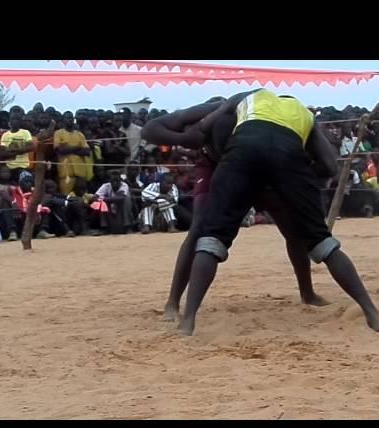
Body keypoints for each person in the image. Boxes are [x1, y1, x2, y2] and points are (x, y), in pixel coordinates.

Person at [164, 89, 379, 336]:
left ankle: (188, 320)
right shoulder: (304, 114)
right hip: (288, 156)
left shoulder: (249, 99)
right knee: (322, 241)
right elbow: (328, 166)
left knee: (211, 239)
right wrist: (300, 181)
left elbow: (203, 130)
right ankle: (372, 313)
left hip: (242, 151)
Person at [141, 98, 332, 323]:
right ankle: (173, 302)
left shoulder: (280, 122)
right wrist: (184, 139)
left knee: (291, 228)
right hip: (216, 166)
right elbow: (150, 130)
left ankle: (307, 292)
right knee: (200, 228)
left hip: (262, 165)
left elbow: (327, 166)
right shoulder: (211, 112)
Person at [53, 112, 91, 195]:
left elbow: (87, 151)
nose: (70, 120)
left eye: (71, 118)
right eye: (68, 118)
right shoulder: (58, 133)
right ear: (63, 120)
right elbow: (60, 150)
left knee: (83, 199)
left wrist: (68, 148)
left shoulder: (80, 134)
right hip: (66, 175)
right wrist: (78, 147)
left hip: (80, 174)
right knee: (67, 199)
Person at [92, 170, 135, 234]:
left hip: (121, 213)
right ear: (110, 181)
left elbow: (120, 198)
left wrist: (104, 199)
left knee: (126, 199)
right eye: (113, 180)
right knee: (100, 203)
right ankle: (104, 228)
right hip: (110, 214)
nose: (115, 182)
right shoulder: (106, 186)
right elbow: (94, 197)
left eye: (117, 180)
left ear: (120, 180)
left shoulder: (124, 185)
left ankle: (127, 227)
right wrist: (104, 200)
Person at [0, 112, 34, 180]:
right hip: (9, 167)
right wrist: (21, 150)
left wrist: (13, 150)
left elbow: (30, 147)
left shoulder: (26, 132)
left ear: (20, 121)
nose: (15, 121)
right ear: (9, 121)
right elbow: (2, 153)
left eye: (17, 119)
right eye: (13, 119)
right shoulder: (5, 135)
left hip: (23, 166)